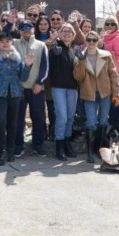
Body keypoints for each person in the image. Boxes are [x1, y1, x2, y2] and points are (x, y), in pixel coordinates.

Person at [0, 33, 34, 165]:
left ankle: (10, 150)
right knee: (0, 122)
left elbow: (23, 78)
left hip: (15, 94)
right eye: (2, 41)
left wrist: (27, 66)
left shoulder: (17, 58)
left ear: (11, 43)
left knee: (13, 123)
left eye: (7, 41)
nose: (5, 44)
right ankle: (1, 150)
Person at [73, 30, 119, 163]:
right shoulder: (80, 56)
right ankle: (89, 152)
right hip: (89, 94)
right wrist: (82, 62)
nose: (91, 42)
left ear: (99, 41)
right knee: (91, 122)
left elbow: (113, 75)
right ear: (85, 41)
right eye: (89, 40)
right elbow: (78, 77)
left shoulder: (106, 55)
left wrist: (116, 94)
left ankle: (98, 149)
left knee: (103, 121)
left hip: (105, 92)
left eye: (94, 40)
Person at [12, 20, 49, 157]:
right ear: (20, 31)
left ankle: (38, 145)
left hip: (36, 88)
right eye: (23, 29)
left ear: (33, 29)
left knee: (38, 117)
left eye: (29, 28)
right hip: (19, 88)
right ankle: (18, 145)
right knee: (18, 118)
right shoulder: (14, 44)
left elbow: (45, 67)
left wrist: (40, 82)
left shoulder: (41, 45)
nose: (26, 31)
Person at [47, 24, 82, 161]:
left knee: (70, 116)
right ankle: (59, 145)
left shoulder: (73, 51)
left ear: (73, 35)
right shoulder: (56, 48)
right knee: (62, 116)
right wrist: (52, 45)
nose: (67, 33)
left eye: (69, 32)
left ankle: (67, 142)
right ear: (60, 34)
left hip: (72, 88)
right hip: (58, 87)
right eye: (64, 31)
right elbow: (50, 58)